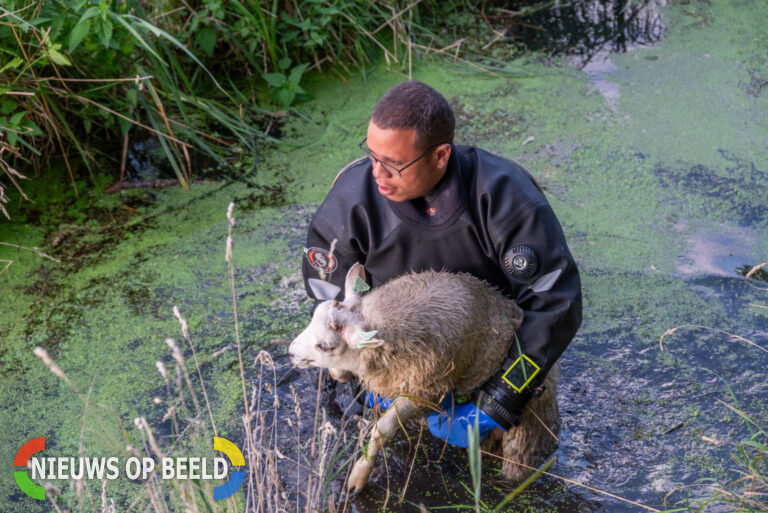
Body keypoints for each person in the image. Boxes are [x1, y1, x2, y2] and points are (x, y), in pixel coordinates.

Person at [300, 80, 581, 446]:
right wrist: (359, 378)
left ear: (440, 156)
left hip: (496, 358)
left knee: (519, 471)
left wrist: (502, 400)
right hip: (394, 367)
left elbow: (555, 303)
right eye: (372, 156)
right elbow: (330, 308)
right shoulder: (351, 204)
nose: (377, 173)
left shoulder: (504, 199)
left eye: (394, 163)